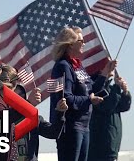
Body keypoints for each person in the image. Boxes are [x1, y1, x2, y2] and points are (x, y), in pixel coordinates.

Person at [49, 26, 115, 161]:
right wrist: (89, 100)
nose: (84, 44)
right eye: (81, 41)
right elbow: (65, 98)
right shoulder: (63, 66)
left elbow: (91, 89)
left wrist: (105, 72)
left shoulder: (78, 66)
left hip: (84, 126)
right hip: (70, 127)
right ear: (70, 44)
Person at [88, 66, 132, 161]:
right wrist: (117, 87)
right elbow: (107, 106)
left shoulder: (111, 88)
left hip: (112, 144)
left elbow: (124, 107)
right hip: (99, 144)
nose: (113, 67)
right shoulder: (95, 88)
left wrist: (125, 92)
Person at [14, 85, 68, 161]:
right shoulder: (2, 116)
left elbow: (53, 133)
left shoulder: (35, 119)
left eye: (22, 96)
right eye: (15, 96)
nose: (19, 99)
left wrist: (60, 113)